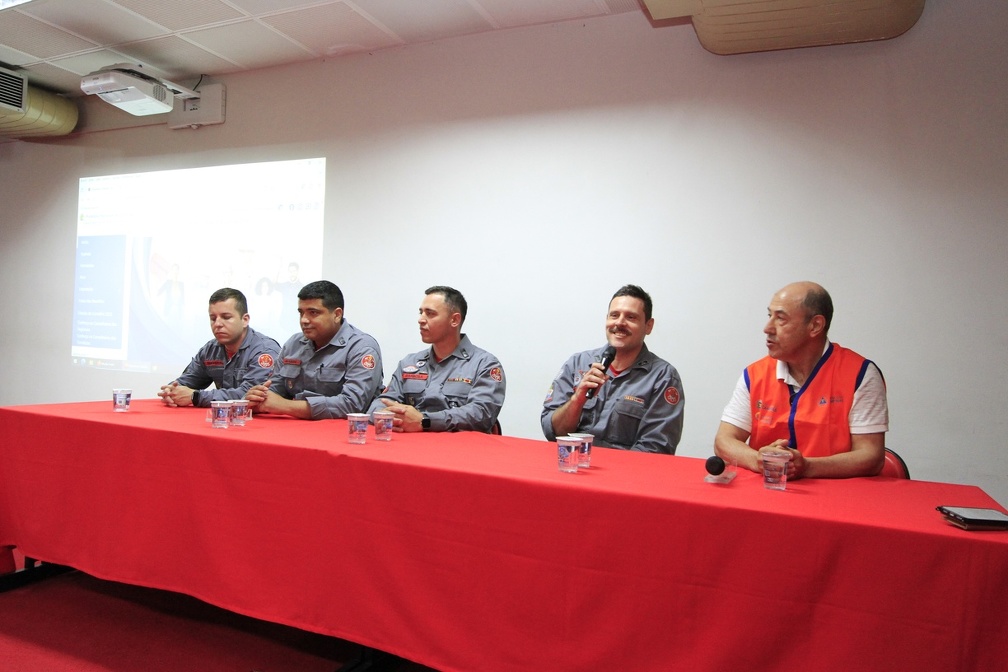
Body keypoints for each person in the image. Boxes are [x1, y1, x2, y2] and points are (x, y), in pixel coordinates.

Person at [714, 281, 888, 479]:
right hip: (765, 493)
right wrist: (758, 460)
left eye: (781, 319)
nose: (767, 328)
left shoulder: (859, 374)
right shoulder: (755, 374)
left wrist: (806, 466)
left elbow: (871, 456)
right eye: (769, 316)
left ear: (815, 325)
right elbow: (724, 440)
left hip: (835, 497)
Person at [541, 285, 684, 454]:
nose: (620, 323)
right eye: (614, 315)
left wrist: (603, 469)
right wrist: (577, 400)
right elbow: (552, 431)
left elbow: (656, 448)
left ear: (648, 326)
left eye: (631, 317)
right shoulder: (577, 363)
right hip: (572, 466)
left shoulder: (663, 377)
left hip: (623, 475)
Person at [369, 286, 505, 433]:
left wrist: (425, 421)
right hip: (410, 447)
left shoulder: (484, 364)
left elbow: (481, 415)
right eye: (421, 313)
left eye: (430, 314)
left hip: (459, 450)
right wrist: (386, 415)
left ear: (454, 320)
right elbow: (381, 401)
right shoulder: (410, 363)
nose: (421, 320)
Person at [245, 280, 383, 420]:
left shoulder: (361, 347)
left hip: (343, 434)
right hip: (295, 430)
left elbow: (352, 405)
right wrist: (258, 397)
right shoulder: (294, 344)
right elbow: (275, 390)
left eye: (313, 313)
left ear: (337, 315)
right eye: (301, 313)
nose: (304, 320)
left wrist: (285, 406)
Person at [158, 287, 279, 407]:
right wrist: (172, 391)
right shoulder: (210, 349)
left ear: (245, 320)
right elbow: (186, 382)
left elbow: (248, 395)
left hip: (259, 421)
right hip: (223, 421)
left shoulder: (265, 350)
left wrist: (195, 397)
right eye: (213, 318)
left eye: (226, 317)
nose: (218, 324)